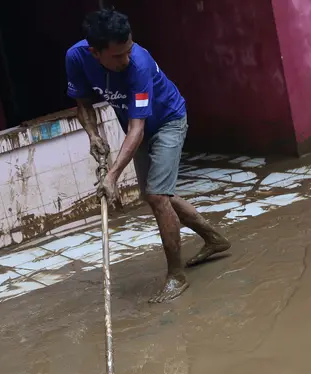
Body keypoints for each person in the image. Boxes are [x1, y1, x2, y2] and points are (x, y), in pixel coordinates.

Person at [65, 9, 231, 303]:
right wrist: (93, 136)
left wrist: (112, 176)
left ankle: (176, 276)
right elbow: (83, 105)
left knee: (156, 195)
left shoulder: (138, 64)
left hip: (168, 121)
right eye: (117, 56)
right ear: (94, 52)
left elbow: (137, 127)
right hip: (138, 127)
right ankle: (214, 239)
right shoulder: (76, 58)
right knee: (157, 195)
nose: (125, 59)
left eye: (128, 51)